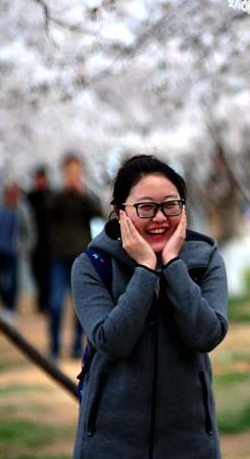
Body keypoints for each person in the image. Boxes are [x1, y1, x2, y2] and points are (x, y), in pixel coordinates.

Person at [71, 154, 228, 458]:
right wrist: (144, 269)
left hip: (190, 445)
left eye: (171, 205)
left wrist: (172, 265)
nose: (160, 218)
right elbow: (112, 341)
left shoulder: (205, 261)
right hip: (109, 447)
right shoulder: (93, 265)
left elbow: (206, 335)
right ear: (120, 212)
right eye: (146, 208)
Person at [48, 153, 102, 360]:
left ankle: (77, 346)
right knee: (55, 303)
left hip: (81, 258)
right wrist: (64, 192)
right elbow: (48, 213)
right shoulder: (57, 196)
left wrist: (82, 193)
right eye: (69, 171)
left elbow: (98, 212)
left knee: (81, 305)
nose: (73, 175)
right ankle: (54, 345)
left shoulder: (85, 196)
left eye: (76, 170)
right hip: (58, 258)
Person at [0, 181, 36, 323]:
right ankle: (5, 305)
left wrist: (25, 248)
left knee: (12, 281)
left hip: (13, 252)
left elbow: (29, 232)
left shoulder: (22, 210)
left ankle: (11, 308)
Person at [26, 166, 53, 315]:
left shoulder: (52, 195)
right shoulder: (30, 197)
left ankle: (45, 305)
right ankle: (40, 303)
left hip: (50, 244)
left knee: (48, 276)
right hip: (35, 243)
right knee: (37, 275)